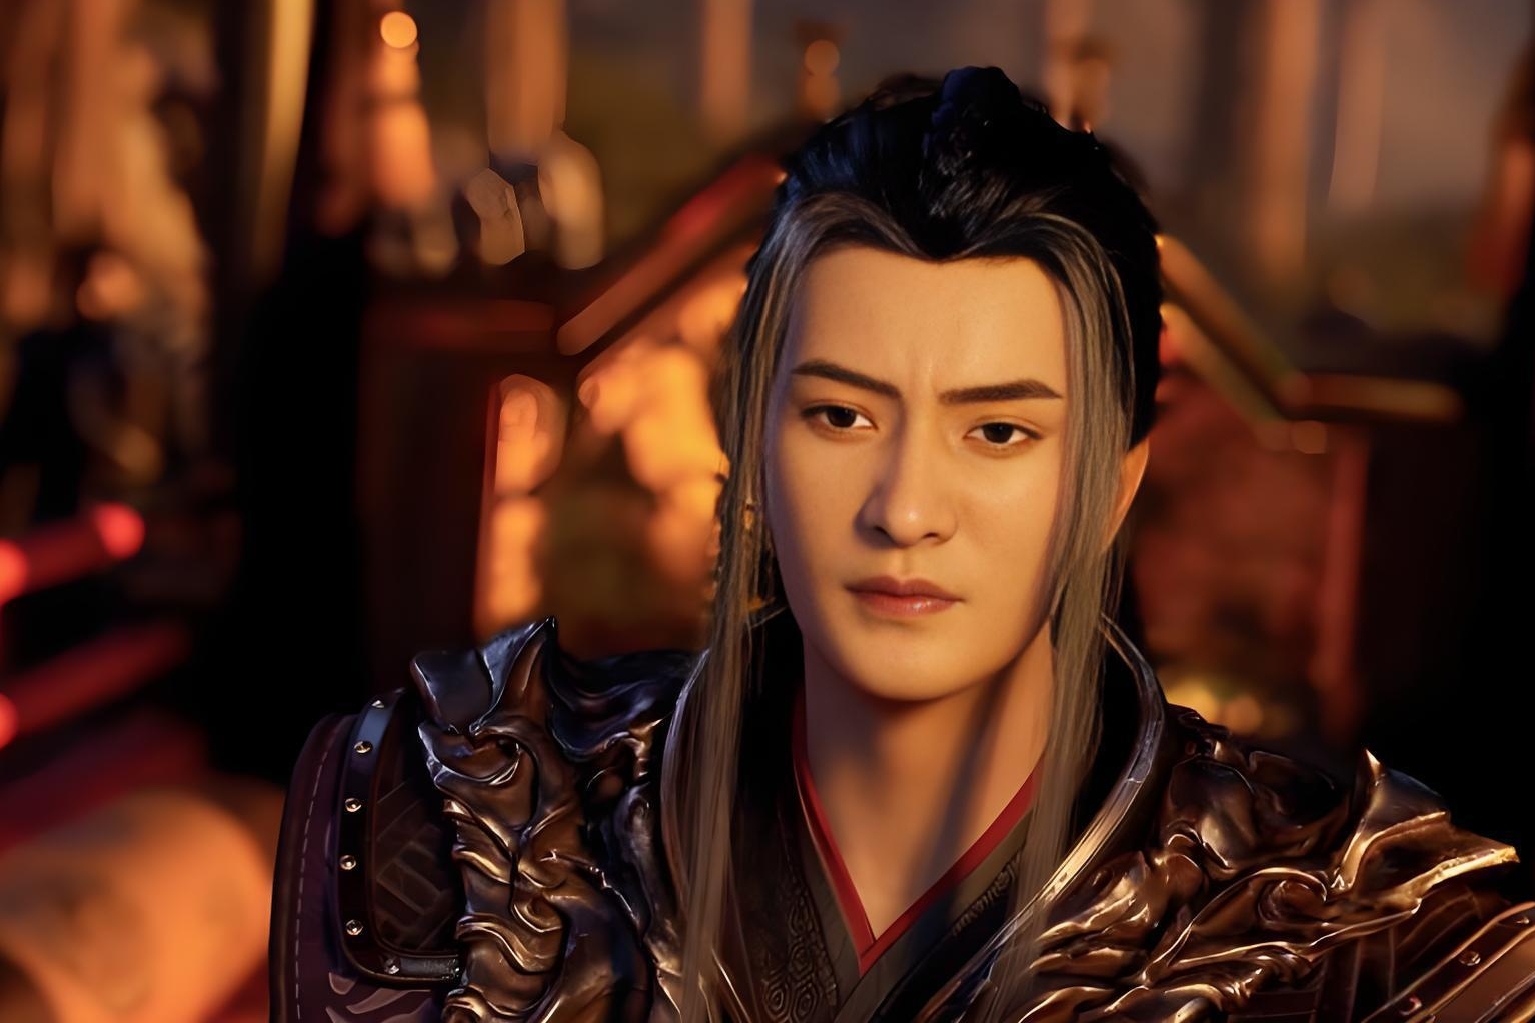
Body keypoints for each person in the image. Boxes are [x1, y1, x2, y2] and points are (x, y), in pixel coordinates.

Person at [269, 67, 1535, 1023]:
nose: (905, 505)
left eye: (996, 433)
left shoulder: (1355, 933)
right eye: (840, 416)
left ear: (1110, 486)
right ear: (749, 441)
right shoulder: (459, 816)